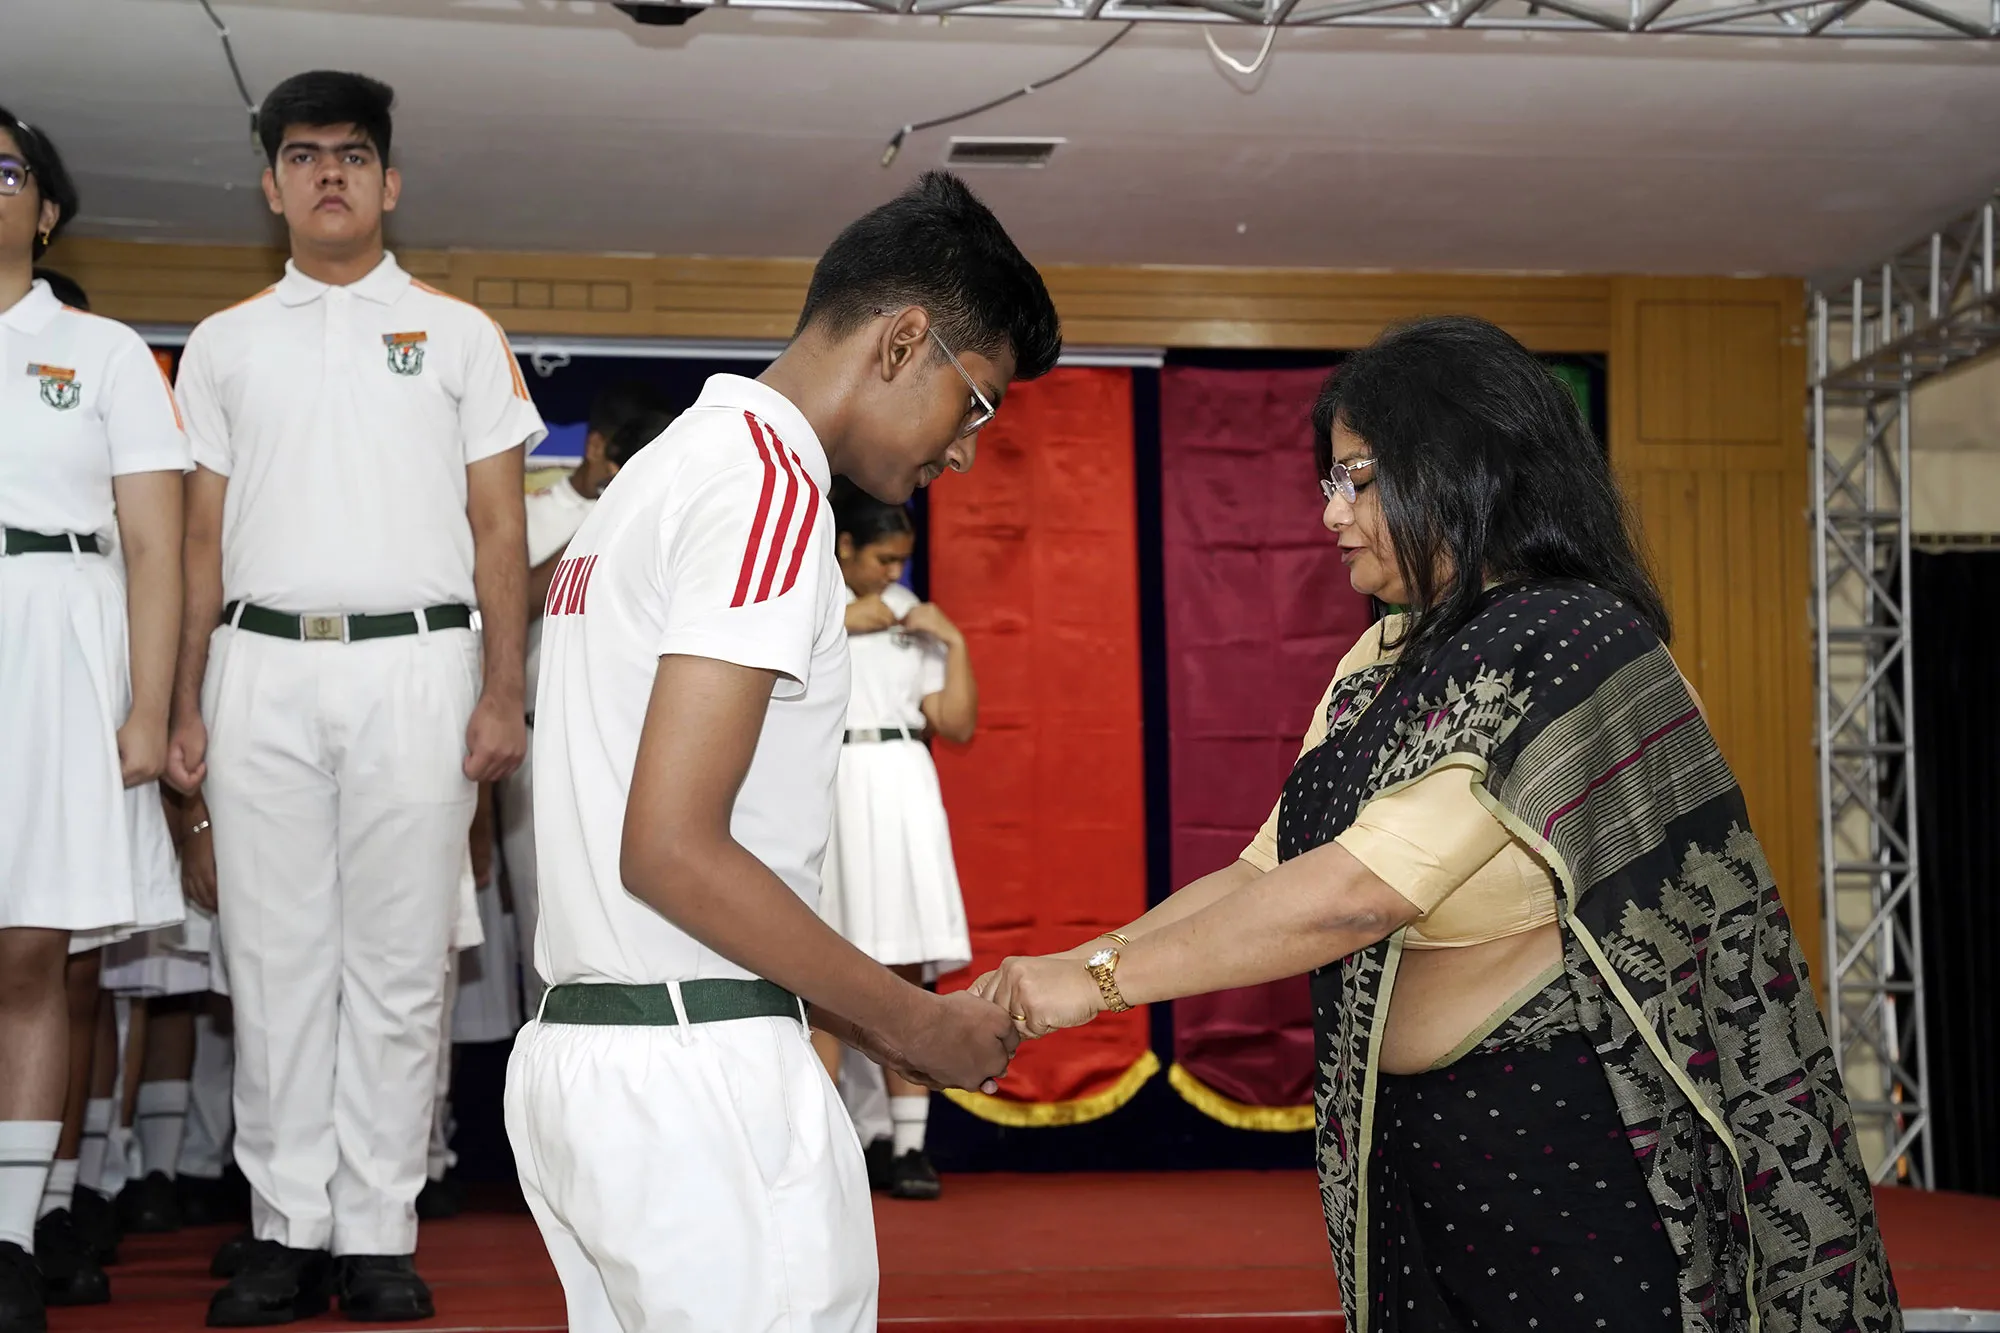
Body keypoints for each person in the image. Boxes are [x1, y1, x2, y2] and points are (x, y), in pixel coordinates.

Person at [978, 315, 1903, 1333]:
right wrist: (1069, 966)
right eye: (1329, 479)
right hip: (1413, 1147)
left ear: (1460, 467)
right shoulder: (1381, 659)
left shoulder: (1572, 641)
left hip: (1567, 1151)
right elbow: (1263, 876)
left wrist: (1096, 984)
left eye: (1356, 478)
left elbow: (1357, 895)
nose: (1330, 513)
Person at [504, 170, 1057, 1332]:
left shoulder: (653, 475)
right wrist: (917, 1025)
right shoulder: (765, 486)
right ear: (903, 341)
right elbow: (671, 849)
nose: (966, 452)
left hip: (593, 1053)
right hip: (696, 1077)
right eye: (976, 404)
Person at [163, 70, 543, 1326]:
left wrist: (503, 690)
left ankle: (377, 1230)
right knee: (271, 963)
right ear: (272, 187)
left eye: (353, 153)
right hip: (259, 665)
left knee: (399, 962)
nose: (329, 171)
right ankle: (285, 1228)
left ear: (390, 182)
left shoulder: (458, 333)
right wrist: (183, 700)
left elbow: (500, 530)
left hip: (418, 667)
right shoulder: (222, 342)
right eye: (303, 154)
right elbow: (199, 543)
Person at [0, 107, 188, 1333]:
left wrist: (148, 708)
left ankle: (11, 1237)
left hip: (54, 646)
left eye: (3, 169)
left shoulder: (105, 350)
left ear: (46, 210)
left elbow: (157, 546)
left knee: (30, 953)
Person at [811, 479, 978, 1201]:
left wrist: (955, 641)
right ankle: (820, 1150)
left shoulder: (911, 611)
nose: (893, 572)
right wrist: (843, 621)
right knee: (818, 965)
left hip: (903, 780)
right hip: (831, 779)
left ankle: (909, 1148)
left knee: (903, 963)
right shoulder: (809, 601)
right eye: (882, 558)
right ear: (844, 546)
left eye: (901, 560)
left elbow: (956, 722)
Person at [498, 385, 676, 1020]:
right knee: (548, 920)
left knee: (642, 924)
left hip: (641, 745)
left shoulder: (670, 523)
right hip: (541, 742)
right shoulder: (537, 514)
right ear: (602, 449)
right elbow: (507, 606)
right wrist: (600, 529)